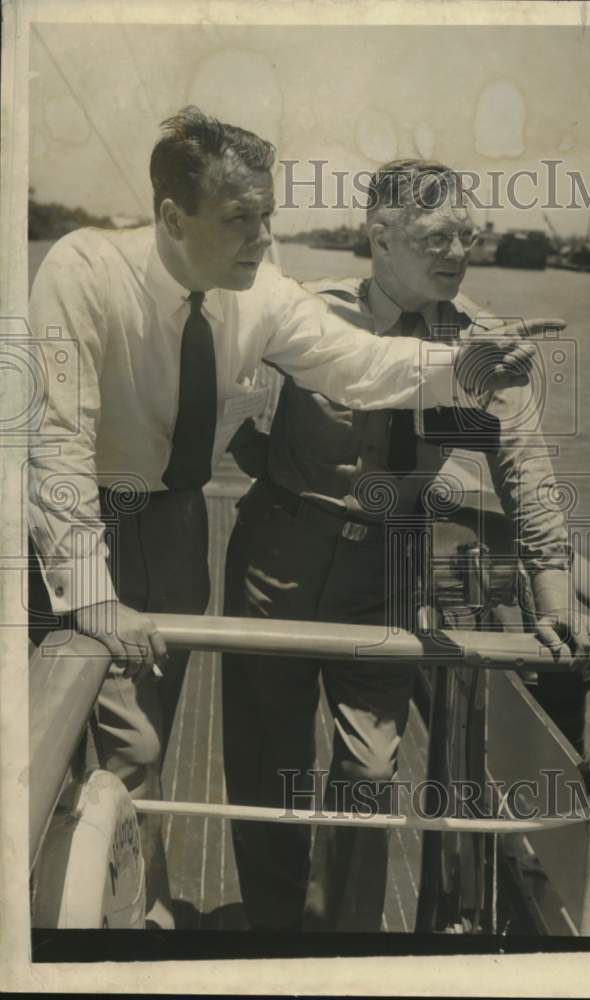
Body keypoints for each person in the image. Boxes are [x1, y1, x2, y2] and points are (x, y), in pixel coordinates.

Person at [26, 113, 541, 929]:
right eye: (239, 219)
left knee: (144, 740)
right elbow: (52, 442)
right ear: (170, 218)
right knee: (74, 732)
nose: (264, 238)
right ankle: (71, 919)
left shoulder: (257, 290)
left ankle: (139, 904)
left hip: (177, 517)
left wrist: (466, 364)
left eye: (267, 216)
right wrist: (90, 592)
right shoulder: (81, 270)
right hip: (74, 513)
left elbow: (361, 367)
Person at [222, 158, 590, 933]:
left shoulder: (483, 347)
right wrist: (267, 466)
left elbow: (526, 470)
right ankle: (267, 930)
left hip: (385, 572)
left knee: (367, 768)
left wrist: (551, 595)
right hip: (278, 562)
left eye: (467, 235)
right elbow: (221, 400)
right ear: (380, 236)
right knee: (267, 765)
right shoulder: (306, 314)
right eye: (435, 235)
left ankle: (342, 947)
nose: (456, 253)